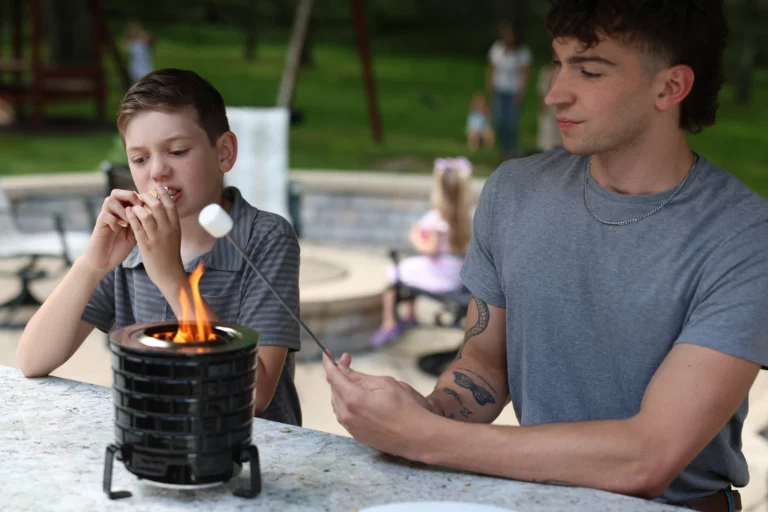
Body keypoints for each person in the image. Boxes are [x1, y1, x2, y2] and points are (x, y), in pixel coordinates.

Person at [324, 1, 768, 510]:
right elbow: (485, 365)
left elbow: (648, 458)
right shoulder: (514, 192)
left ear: (670, 87)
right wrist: (417, 412)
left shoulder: (745, 237)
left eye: (590, 70)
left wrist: (424, 438)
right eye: (558, 63)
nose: (555, 93)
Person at [17, 69, 302, 426]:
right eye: (139, 159)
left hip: (254, 452)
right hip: (154, 446)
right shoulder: (129, 245)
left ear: (224, 153)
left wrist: (171, 278)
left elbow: (255, 394)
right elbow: (32, 359)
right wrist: (93, 264)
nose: (158, 171)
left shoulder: (265, 237)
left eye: (178, 151)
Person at [369, 157, 473, 347]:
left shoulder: (437, 217)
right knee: (413, 268)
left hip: (439, 275)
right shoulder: (469, 215)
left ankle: (389, 323)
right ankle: (410, 314)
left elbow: (430, 249)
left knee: (395, 275)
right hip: (457, 273)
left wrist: (415, 234)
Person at [486, 21, 532, 160]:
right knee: (499, 120)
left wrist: (522, 91)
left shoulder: (522, 52)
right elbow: (491, 69)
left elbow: (525, 73)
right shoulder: (497, 49)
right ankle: (501, 149)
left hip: (513, 91)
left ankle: (511, 150)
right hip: (499, 90)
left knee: (511, 122)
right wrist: (490, 87)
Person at [536, 64, 562, 152]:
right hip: (549, 106)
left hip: (559, 106)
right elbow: (542, 91)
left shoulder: (564, 72)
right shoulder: (546, 72)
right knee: (548, 133)